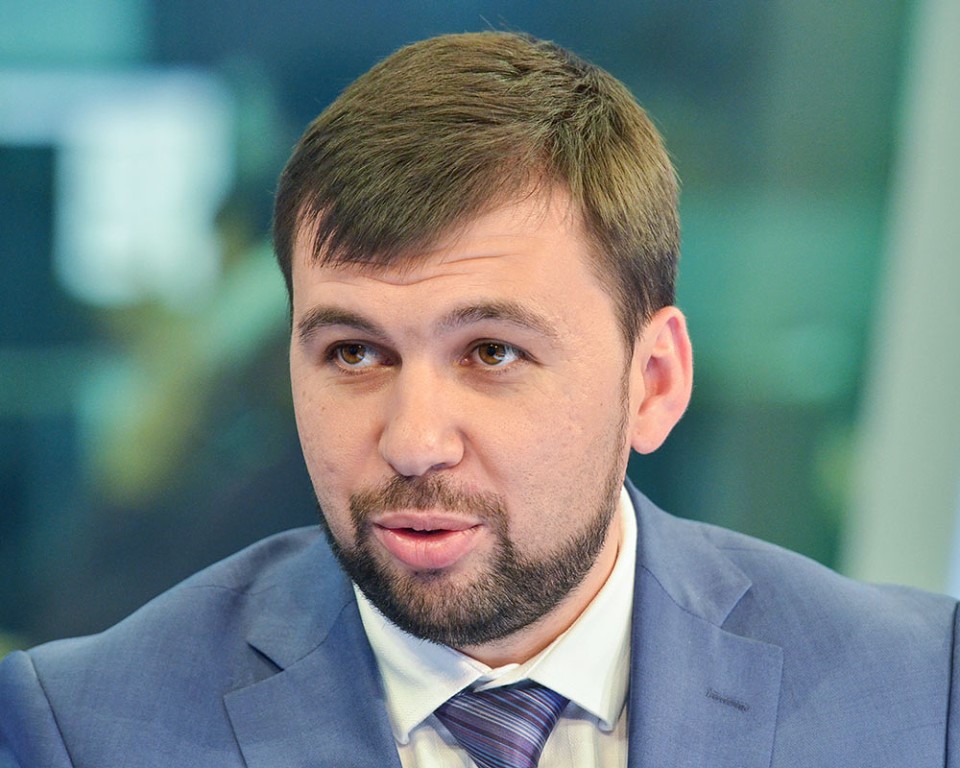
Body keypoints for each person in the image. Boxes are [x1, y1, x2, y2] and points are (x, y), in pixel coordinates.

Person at [0, 30, 957, 768]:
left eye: (493, 352)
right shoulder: (83, 730)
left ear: (654, 382)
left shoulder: (918, 695)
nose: (414, 441)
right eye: (354, 353)